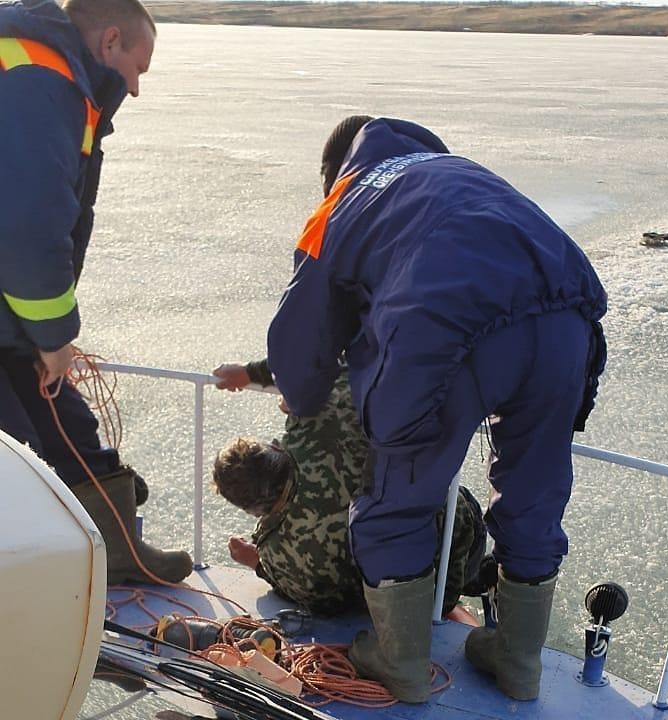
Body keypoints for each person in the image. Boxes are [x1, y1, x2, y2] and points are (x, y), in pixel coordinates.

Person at [264, 116, 608, 702]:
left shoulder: (344, 199)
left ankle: (400, 662)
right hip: (567, 324)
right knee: (535, 486)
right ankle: (519, 660)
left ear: (333, 173)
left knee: (399, 494)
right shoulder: (457, 172)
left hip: (448, 327)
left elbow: (301, 333)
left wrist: (302, 397)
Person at [0, 0, 192, 585]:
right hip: (15, 297)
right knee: (18, 458)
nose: (135, 87)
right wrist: (53, 338)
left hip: (9, 306)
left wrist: (43, 337)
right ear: (110, 41)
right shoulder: (41, 80)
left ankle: (116, 552)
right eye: (138, 67)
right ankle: (38, 593)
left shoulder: (61, 83)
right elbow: (29, 229)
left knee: (65, 421)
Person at [212, 360, 488, 617]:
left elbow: (320, 601)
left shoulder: (284, 554)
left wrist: (257, 563)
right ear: (274, 449)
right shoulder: (319, 417)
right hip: (455, 523)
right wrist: (254, 374)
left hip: (422, 593)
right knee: (461, 554)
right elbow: (327, 361)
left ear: (252, 510)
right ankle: (486, 579)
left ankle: (479, 581)